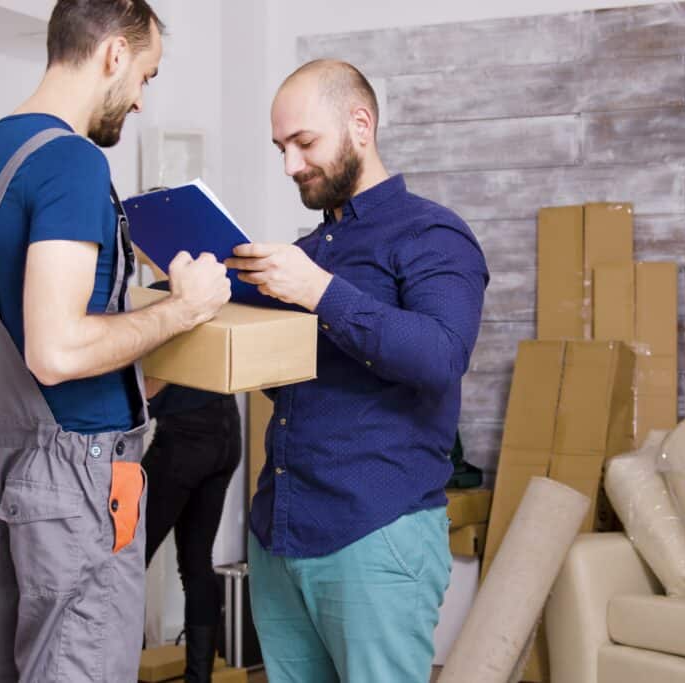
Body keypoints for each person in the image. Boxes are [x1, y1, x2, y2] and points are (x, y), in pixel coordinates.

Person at [0, 2, 231, 681]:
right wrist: (183, 308)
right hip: (75, 485)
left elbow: (35, 317)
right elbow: (58, 349)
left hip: (6, 466)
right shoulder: (70, 163)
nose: (137, 101)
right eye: (146, 77)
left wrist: (141, 312)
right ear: (112, 56)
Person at [226, 59, 490, 683]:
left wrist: (318, 292)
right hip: (279, 534)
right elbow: (305, 386)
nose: (290, 165)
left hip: (376, 535)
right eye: (281, 148)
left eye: (304, 142)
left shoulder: (435, 234)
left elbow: (442, 354)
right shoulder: (305, 254)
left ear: (361, 125)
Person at [142, 278, 243, 683]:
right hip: (226, 436)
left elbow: (148, 389)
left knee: (126, 562)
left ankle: (111, 670)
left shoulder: (157, 298)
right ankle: (198, 678)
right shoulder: (215, 295)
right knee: (196, 561)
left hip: (184, 441)